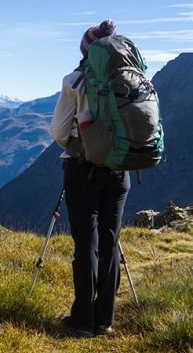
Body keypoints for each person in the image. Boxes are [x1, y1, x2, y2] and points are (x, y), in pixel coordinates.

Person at [50, 19, 131, 337]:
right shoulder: (131, 80)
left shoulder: (75, 80)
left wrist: (80, 149)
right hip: (120, 169)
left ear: (85, 51)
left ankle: (83, 320)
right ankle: (104, 320)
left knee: (87, 244)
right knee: (110, 243)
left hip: (82, 170)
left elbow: (59, 131)